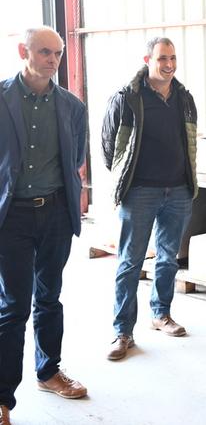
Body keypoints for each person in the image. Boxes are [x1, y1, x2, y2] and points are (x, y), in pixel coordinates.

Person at [0, 26, 88, 424]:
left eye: (58, 53)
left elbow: (77, 158)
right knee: (13, 307)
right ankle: (2, 398)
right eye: (45, 52)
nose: (53, 60)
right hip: (11, 217)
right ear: (24, 51)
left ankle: (48, 371)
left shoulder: (71, 106)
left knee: (49, 298)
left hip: (54, 213)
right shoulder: (2, 98)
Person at [102, 37, 198, 361]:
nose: (169, 64)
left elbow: (190, 143)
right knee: (130, 262)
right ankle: (122, 332)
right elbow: (108, 141)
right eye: (162, 58)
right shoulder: (129, 97)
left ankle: (161, 314)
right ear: (147, 59)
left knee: (168, 258)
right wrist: (122, 179)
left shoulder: (184, 98)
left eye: (173, 58)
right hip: (140, 191)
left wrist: (188, 182)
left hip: (178, 191)